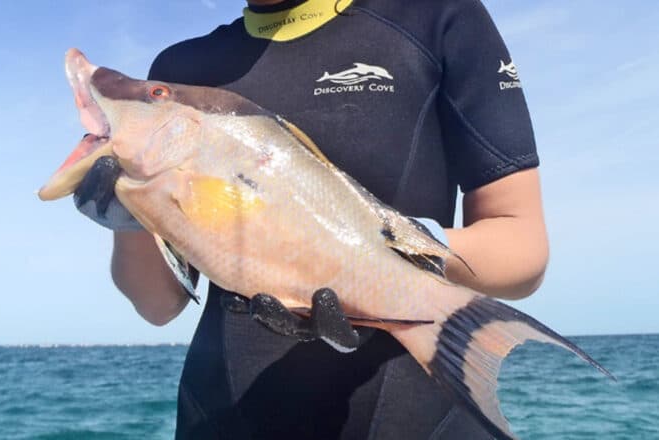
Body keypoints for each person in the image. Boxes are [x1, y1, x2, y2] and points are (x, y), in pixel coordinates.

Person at [80, 0, 548, 438]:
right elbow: (157, 305)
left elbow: (522, 248)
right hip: (225, 413)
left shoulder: (432, 15)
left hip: (416, 416)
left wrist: (396, 258)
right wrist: (131, 214)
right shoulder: (180, 73)